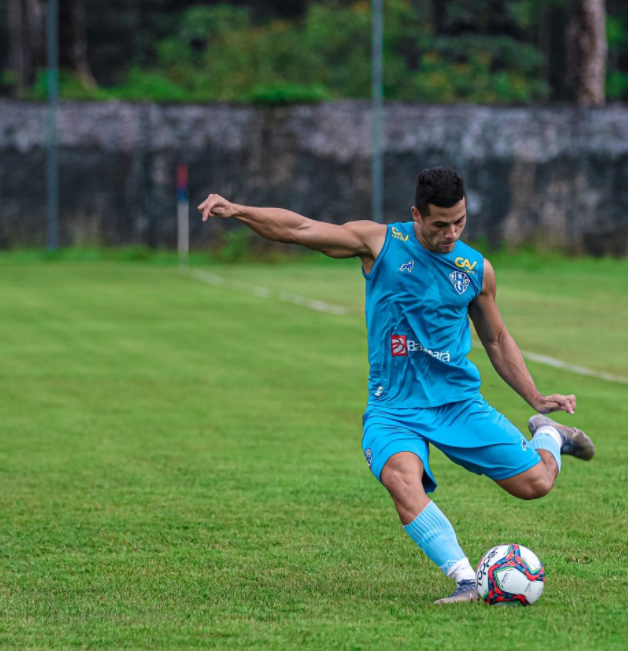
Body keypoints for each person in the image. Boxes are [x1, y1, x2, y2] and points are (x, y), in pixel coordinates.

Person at [198, 166, 594, 604]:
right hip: (394, 410)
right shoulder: (379, 243)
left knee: (535, 484)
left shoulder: (476, 270)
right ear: (416, 215)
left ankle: (549, 435)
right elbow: (300, 228)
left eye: (459, 222)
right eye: (440, 224)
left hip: (457, 404)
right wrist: (236, 210)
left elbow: (496, 339)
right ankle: (466, 579)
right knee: (400, 478)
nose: (451, 233)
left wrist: (536, 397)